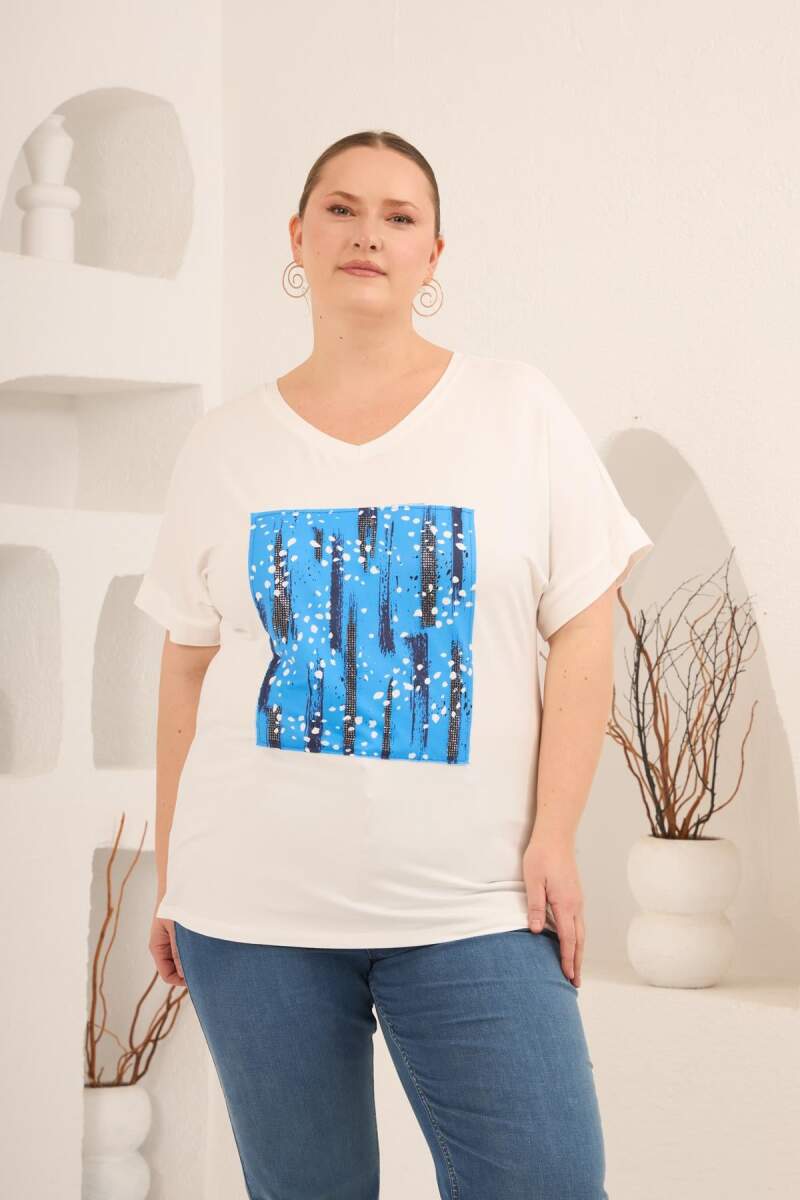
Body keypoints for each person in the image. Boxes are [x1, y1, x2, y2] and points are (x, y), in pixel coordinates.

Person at [136, 129, 653, 1200]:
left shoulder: (516, 409)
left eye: (398, 215)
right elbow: (186, 668)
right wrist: (176, 875)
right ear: (297, 237)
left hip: (475, 904)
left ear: (432, 253)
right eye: (340, 208)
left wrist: (556, 834)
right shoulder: (222, 446)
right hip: (252, 915)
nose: (367, 233)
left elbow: (583, 628)